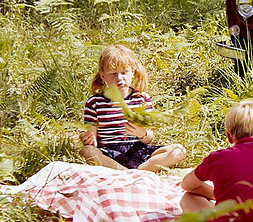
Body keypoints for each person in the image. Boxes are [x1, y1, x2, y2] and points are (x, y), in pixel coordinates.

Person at [79, 44, 187, 172]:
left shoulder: (141, 99)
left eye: (124, 72)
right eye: (113, 74)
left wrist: (142, 133)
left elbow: (149, 138)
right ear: (103, 76)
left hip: (138, 150)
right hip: (109, 153)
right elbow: (92, 140)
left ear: (132, 72)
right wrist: (88, 139)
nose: (119, 78)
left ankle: (135, 170)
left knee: (178, 151)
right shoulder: (95, 103)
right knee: (87, 151)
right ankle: (128, 172)